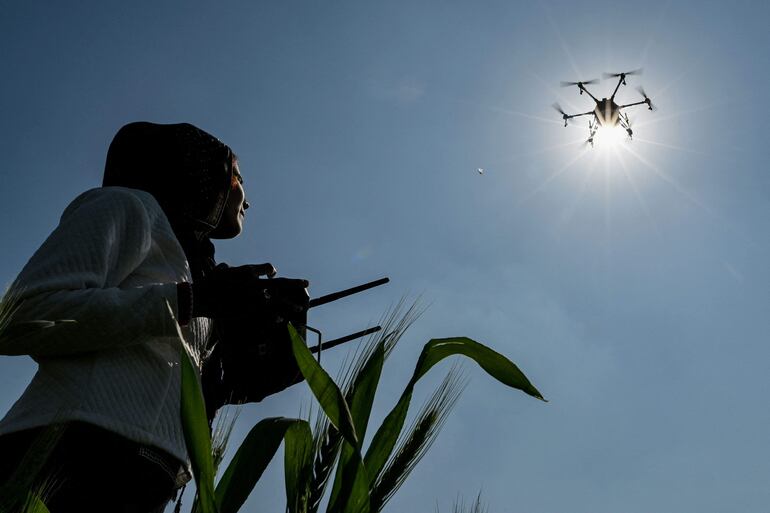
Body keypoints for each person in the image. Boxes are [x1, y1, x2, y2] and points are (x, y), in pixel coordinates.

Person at [0, 122, 308, 513]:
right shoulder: (129, 207)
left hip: (149, 478)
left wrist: (282, 348)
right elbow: (24, 318)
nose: (247, 198)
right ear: (201, 171)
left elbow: (198, 387)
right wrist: (192, 301)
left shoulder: (192, 270)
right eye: (237, 177)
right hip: (69, 450)